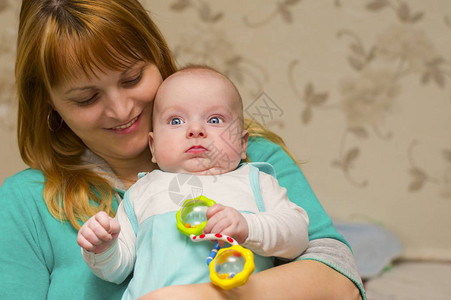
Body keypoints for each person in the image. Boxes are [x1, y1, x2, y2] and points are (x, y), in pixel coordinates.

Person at [0, 0, 365, 299]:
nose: (122, 110)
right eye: (87, 97)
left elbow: (340, 281)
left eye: (132, 78)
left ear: (157, 59)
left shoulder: (250, 159)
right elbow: (114, 264)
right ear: (50, 104)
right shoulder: (25, 203)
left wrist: (200, 296)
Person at [77, 66, 311, 299]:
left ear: (241, 145)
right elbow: (116, 271)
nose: (196, 130)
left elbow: (298, 236)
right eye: (176, 121)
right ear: (153, 146)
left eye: (215, 119)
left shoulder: (256, 181)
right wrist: (102, 248)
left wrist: (249, 227)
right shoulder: (141, 192)